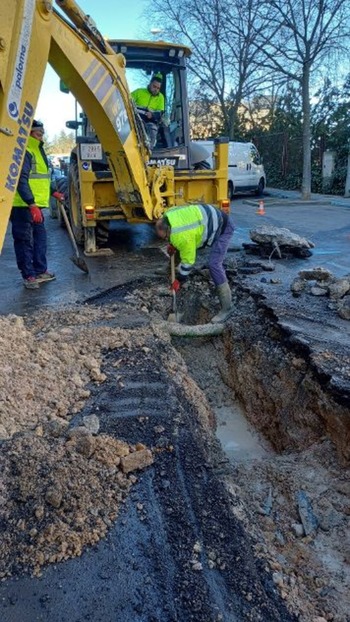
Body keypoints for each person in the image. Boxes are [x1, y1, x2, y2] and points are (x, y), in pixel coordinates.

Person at [155, 204, 235, 323]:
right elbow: (177, 239)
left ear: (168, 229)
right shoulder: (168, 214)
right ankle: (169, 269)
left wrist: (179, 280)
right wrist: (171, 244)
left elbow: (188, 262)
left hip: (223, 228)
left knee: (214, 264)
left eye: (166, 237)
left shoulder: (182, 236)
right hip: (208, 218)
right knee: (177, 244)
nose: (166, 239)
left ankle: (227, 308)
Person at [10, 119, 64, 289]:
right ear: (29, 133)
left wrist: (52, 191)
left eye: (42, 134)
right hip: (23, 205)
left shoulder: (38, 151)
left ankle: (40, 270)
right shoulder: (24, 151)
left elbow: (40, 177)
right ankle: (29, 275)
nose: (42, 137)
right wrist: (31, 204)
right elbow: (21, 180)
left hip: (36, 204)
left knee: (40, 238)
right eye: (38, 133)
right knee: (24, 240)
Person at [131, 73, 165, 148]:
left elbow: (160, 113)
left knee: (152, 131)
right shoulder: (139, 92)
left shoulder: (161, 98)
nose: (156, 89)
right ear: (150, 84)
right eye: (154, 86)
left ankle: (148, 150)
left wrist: (152, 115)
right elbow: (127, 100)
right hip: (135, 118)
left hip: (150, 121)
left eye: (158, 88)